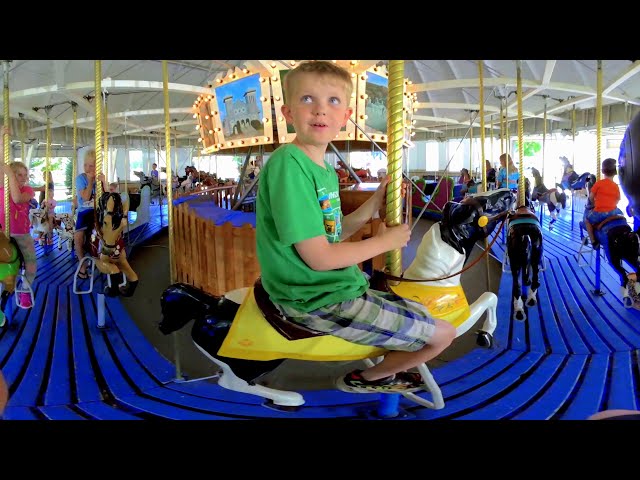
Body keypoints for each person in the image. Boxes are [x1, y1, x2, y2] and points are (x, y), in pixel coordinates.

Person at [256, 60, 456, 394]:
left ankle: (387, 362)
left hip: (334, 286)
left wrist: (374, 204)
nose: (320, 110)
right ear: (287, 112)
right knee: (444, 334)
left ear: (346, 117)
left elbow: (333, 232)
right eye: (308, 99)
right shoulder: (288, 166)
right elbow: (319, 258)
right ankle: (367, 378)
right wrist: (385, 242)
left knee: (420, 309)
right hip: (315, 298)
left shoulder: (323, 170)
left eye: (332, 101)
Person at [0, 158, 37, 308]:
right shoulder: (1, 190)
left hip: (21, 234)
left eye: (24, 175)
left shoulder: (27, 191)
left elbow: (16, 198)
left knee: (31, 262)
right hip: (3, 234)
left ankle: (26, 289)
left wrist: (10, 175)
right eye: (18, 175)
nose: (23, 178)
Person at [74, 149, 106, 279]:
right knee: (78, 236)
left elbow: (106, 196)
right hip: (84, 211)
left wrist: (104, 182)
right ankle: (82, 264)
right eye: (85, 165)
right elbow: (86, 198)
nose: (87, 168)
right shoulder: (81, 179)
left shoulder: (99, 178)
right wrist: (90, 181)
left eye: (91, 166)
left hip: (97, 211)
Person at [583, 158, 624, 249]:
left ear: (603, 171)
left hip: (600, 213)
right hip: (613, 211)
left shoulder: (599, 183)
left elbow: (591, 197)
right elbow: (618, 199)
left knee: (587, 220)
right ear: (614, 172)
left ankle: (593, 242)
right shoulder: (616, 186)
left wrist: (595, 203)